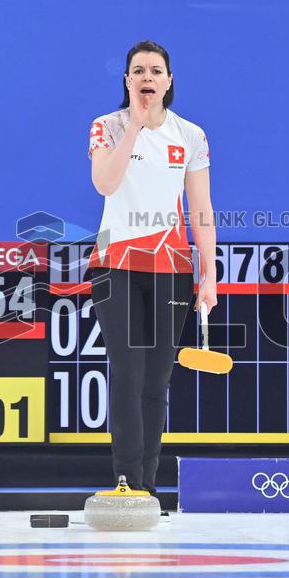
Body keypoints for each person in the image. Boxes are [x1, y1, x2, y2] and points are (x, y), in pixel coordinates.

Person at [86, 40, 216, 494]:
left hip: (171, 266)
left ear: (168, 81)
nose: (147, 77)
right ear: (127, 80)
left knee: (157, 380)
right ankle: (126, 481)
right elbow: (105, 183)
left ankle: (147, 487)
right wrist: (136, 128)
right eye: (138, 70)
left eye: (156, 71)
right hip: (114, 262)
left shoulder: (191, 136)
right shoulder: (107, 126)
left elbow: (201, 209)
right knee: (127, 372)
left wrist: (209, 275)